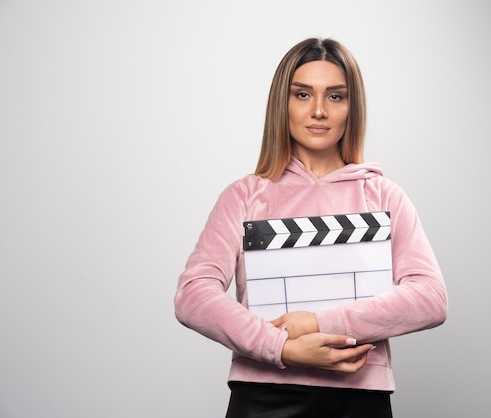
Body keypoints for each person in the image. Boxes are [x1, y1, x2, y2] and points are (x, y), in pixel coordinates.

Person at [174, 37, 448, 417]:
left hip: (359, 396)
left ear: (352, 108)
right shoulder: (244, 196)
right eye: (302, 95)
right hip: (264, 396)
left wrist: (319, 323)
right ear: (281, 104)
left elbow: (430, 298)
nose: (318, 110)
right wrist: (281, 347)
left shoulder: (384, 196)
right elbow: (193, 294)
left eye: (335, 96)